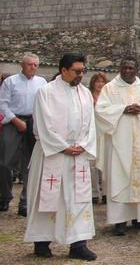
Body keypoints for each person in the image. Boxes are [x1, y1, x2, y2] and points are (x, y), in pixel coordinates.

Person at [24, 53, 98, 260]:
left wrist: (83, 145)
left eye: (83, 71)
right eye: (77, 71)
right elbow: (42, 126)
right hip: (53, 154)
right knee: (48, 198)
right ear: (63, 70)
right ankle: (42, 241)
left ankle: (78, 243)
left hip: (77, 156)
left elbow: (91, 125)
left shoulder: (85, 93)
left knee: (77, 199)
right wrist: (63, 147)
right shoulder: (45, 93)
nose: (81, 75)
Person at [94, 56, 140, 236]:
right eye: (124, 67)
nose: (127, 71)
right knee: (120, 178)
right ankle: (119, 221)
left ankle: (139, 218)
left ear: (137, 69)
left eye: (131, 68)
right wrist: (122, 109)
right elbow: (100, 111)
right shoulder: (110, 89)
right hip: (119, 143)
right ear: (120, 67)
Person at [0, 53, 47, 216]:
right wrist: (15, 120)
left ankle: (25, 202)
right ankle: (5, 196)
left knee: (30, 163)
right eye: (30, 64)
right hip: (13, 121)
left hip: (34, 122)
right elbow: (2, 104)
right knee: (5, 162)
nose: (33, 67)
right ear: (22, 65)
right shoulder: (10, 81)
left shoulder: (42, 82)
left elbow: (45, 103)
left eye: (35, 65)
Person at [87, 73, 108, 204]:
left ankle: (106, 192)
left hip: (105, 133)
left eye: (102, 82)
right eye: (97, 81)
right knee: (92, 164)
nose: (100, 84)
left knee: (106, 163)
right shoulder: (87, 96)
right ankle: (94, 192)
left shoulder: (108, 97)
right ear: (93, 83)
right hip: (92, 133)